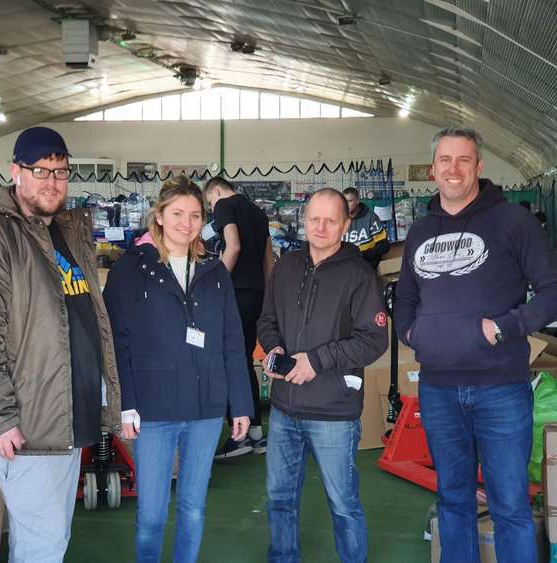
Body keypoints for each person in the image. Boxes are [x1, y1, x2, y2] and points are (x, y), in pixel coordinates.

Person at [0, 127, 122, 563]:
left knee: (42, 538)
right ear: (15, 172)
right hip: (26, 425)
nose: (51, 181)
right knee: (44, 545)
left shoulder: (60, 231)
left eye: (60, 171)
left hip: (60, 417)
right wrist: (0, 418)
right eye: (39, 170)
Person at [394, 127, 557, 563]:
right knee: (454, 501)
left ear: (479, 167)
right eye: (445, 161)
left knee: (509, 505)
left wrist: (503, 328)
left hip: (500, 388)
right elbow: (406, 296)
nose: (453, 169)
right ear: (432, 169)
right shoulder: (420, 230)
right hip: (439, 389)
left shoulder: (512, 221)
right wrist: (411, 333)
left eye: (463, 160)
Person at [104, 175, 253, 563]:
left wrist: (240, 403)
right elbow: (116, 341)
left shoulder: (214, 272)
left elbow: (232, 341)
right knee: (152, 515)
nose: (186, 223)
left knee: (193, 509)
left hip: (205, 410)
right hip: (153, 411)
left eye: (195, 215)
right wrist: (125, 403)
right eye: (177, 214)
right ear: (160, 215)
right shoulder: (132, 269)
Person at [257, 188, 388, 563]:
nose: (321, 227)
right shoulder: (286, 267)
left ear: (346, 225)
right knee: (280, 500)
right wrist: (276, 349)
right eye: (314, 218)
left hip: (333, 411)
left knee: (343, 505)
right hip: (284, 409)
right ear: (304, 220)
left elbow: (372, 340)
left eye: (331, 220)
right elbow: (266, 321)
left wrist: (316, 361)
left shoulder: (360, 275)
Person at [203, 177, 273, 459]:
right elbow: (269, 260)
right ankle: (255, 431)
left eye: (209, 202)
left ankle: (239, 434)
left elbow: (233, 246)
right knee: (243, 360)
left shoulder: (223, 206)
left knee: (228, 361)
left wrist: (214, 283)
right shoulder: (258, 212)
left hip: (233, 294)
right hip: (257, 295)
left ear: (216, 191)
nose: (211, 207)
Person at [342, 186, 389, 268]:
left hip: (367, 265)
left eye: (349, 201)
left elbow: (384, 246)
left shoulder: (371, 217)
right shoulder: (338, 219)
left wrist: (362, 255)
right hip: (345, 267)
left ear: (357, 201)